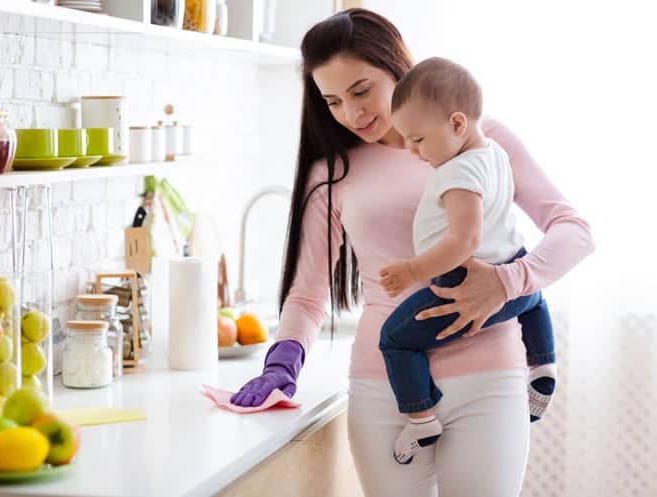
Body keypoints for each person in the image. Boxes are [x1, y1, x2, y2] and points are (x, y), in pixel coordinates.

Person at [230, 8, 594, 497]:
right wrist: (283, 361)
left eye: (361, 90)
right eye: (333, 100)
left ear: (395, 64)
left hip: (489, 377)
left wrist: (510, 281)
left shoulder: (478, 140)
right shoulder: (332, 172)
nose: (351, 114)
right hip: (384, 385)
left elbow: (574, 230)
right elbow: (309, 291)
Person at [376, 57, 557, 465]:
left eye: (418, 139)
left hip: (463, 284)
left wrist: (411, 270)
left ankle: (420, 417)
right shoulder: (494, 153)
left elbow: (465, 239)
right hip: (514, 269)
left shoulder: (457, 172)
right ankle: (543, 365)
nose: (411, 149)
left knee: (395, 339)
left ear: (457, 124)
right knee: (536, 298)